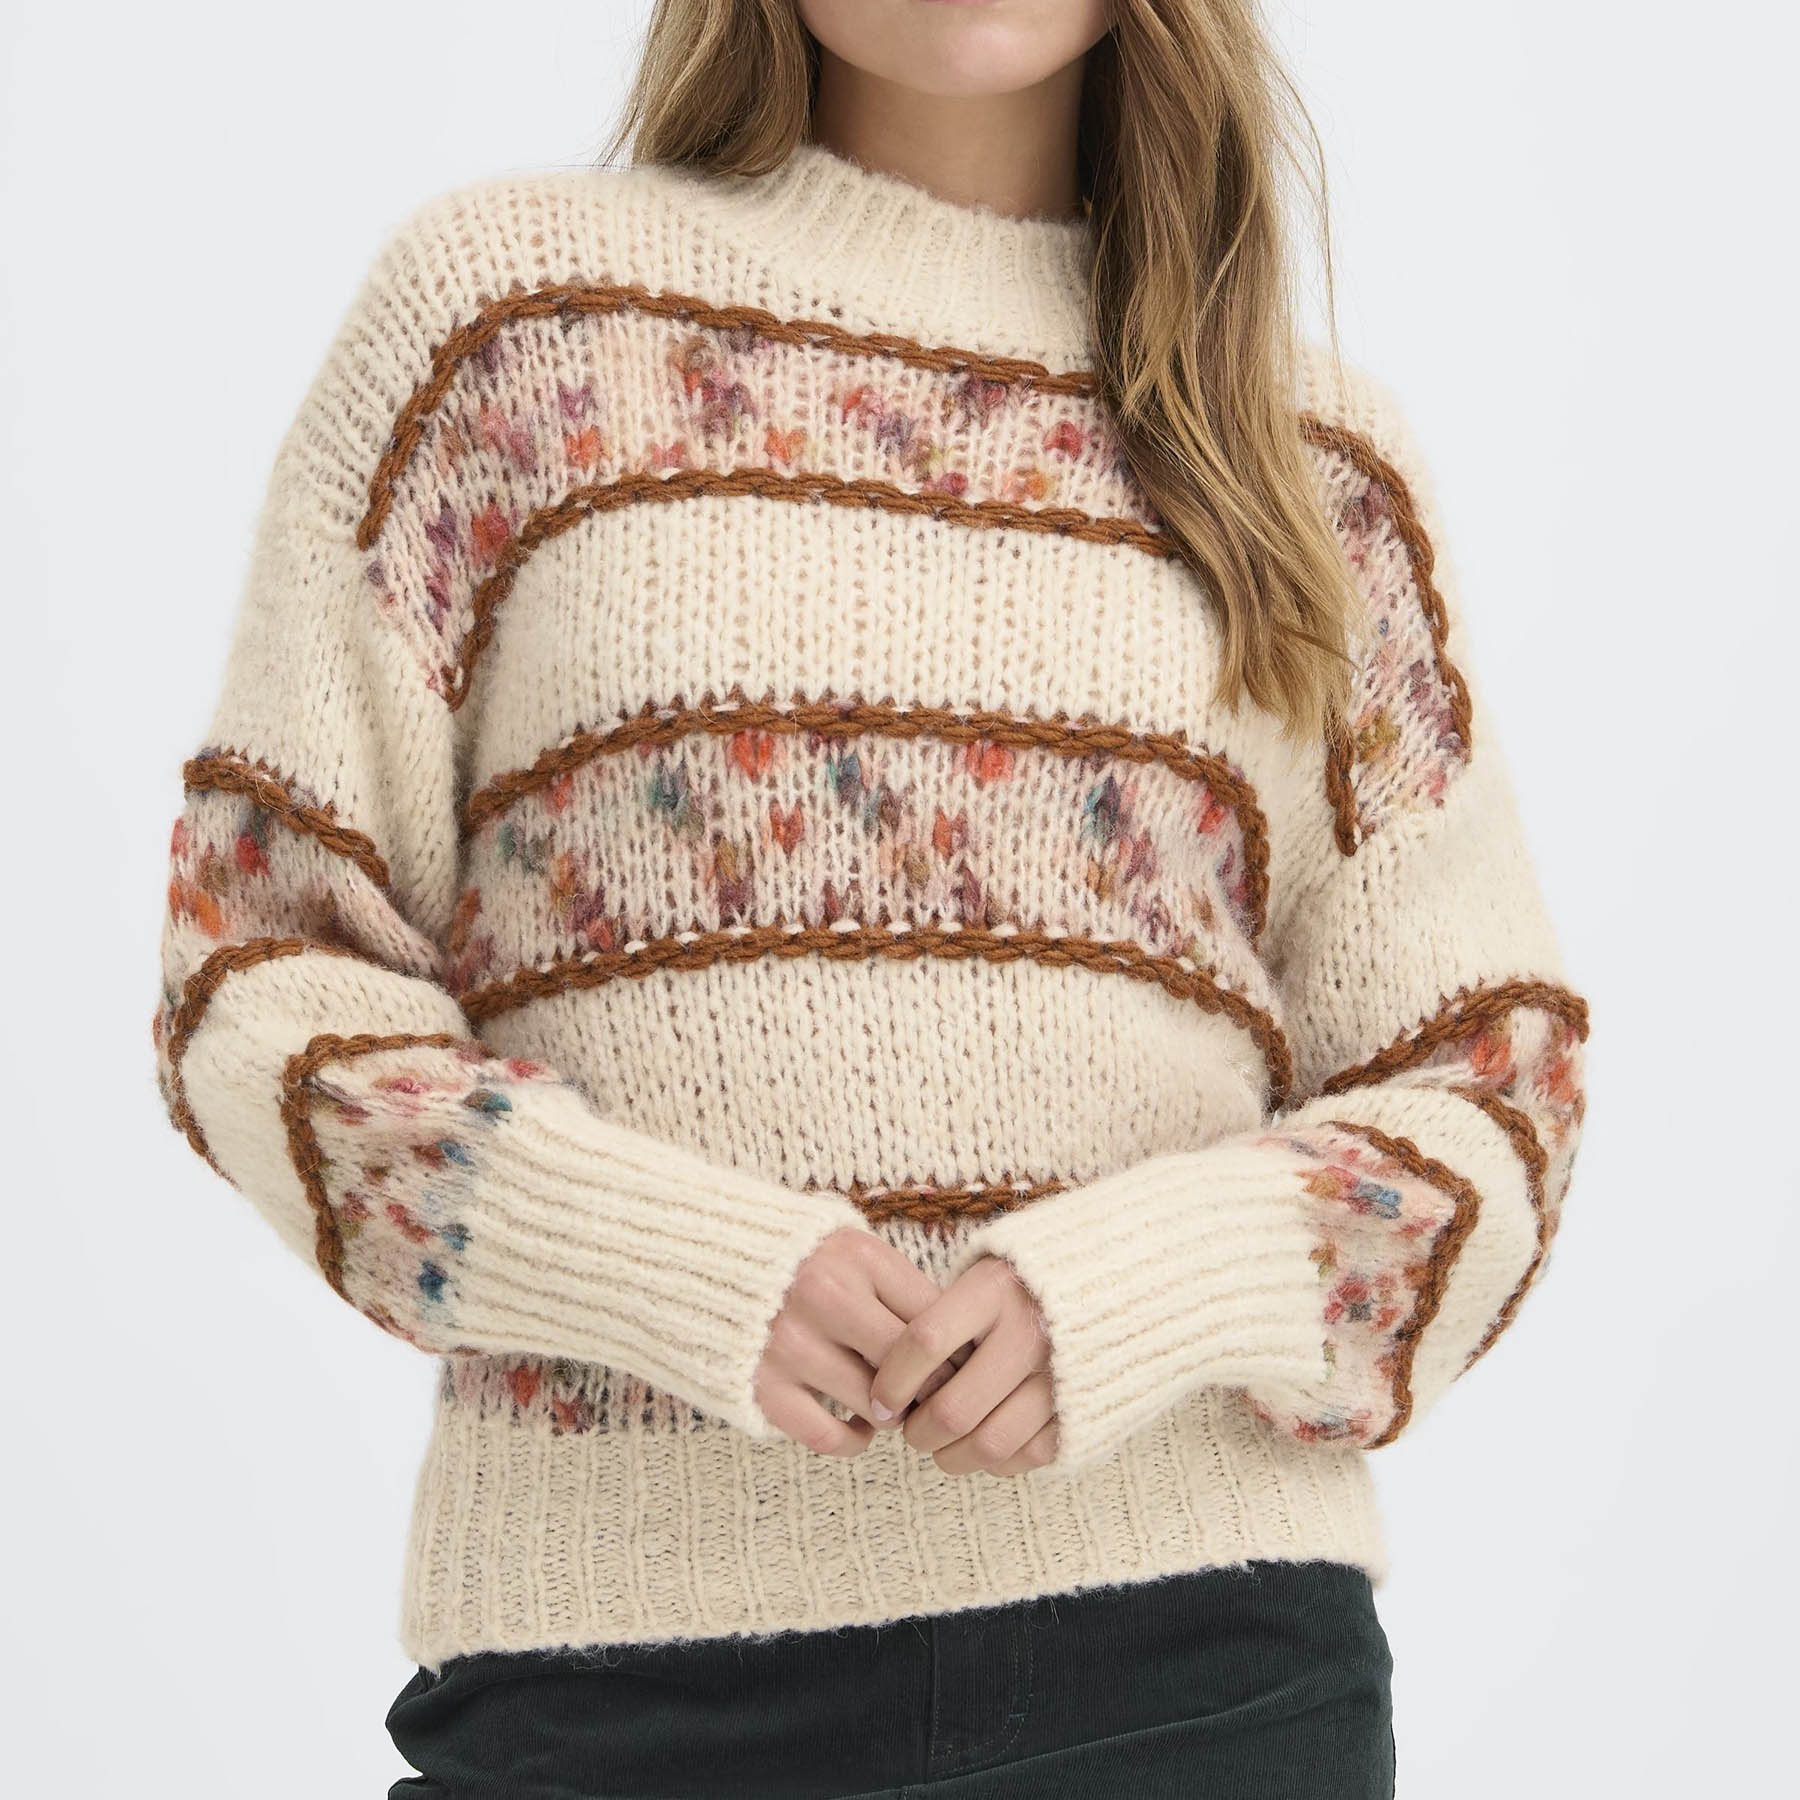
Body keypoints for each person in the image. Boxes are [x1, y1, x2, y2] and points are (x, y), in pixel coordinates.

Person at [148, 1, 1591, 1793]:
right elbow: (259, 970)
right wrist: (661, 1264)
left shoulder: (1306, 458)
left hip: (1201, 1676)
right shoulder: (514, 333)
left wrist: (1154, 1286)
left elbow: (1493, 1093)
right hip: (619, 1683)